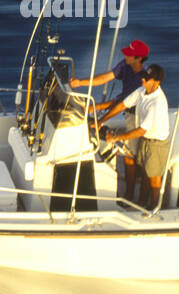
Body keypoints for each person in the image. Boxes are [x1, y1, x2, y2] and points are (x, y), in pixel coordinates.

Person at [70, 40, 149, 198]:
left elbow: (122, 104)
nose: (125, 55)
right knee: (127, 153)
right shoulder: (125, 65)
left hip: (138, 116)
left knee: (129, 156)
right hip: (127, 111)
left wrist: (96, 110)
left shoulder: (142, 79)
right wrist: (80, 83)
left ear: (139, 58)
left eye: (129, 53)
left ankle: (129, 195)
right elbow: (104, 78)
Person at [96, 64, 169, 210]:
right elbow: (122, 105)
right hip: (146, 139)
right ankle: (142, 203)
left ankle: (154, 209)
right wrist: (101, 120)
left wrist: (116, 137)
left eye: (147, 78)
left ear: (157, 82)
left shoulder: (156, 103)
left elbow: (141, 130)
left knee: (154, 178)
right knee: (144, 171)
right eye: (143, 76)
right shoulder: (143, 90)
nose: (142, 79)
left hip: (156, 143)